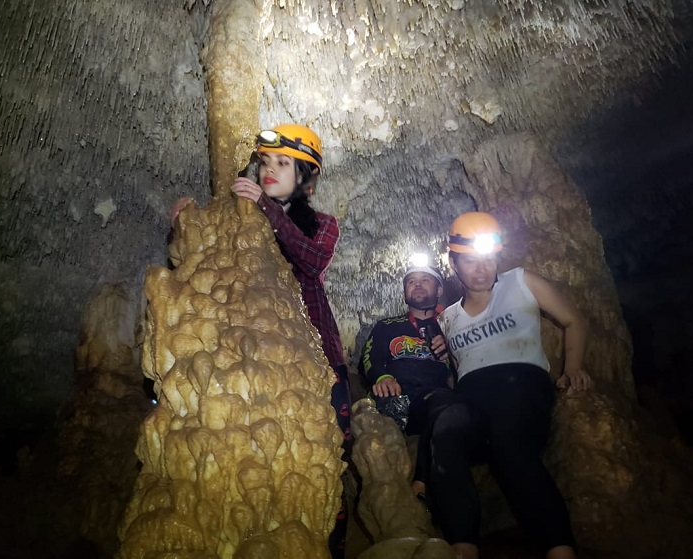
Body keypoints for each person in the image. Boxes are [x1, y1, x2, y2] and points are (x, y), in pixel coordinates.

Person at [429, 211, 594, 559]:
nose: (481, 269)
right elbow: (459, 370)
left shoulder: (521, 282)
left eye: (487, 260)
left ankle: (560, 550)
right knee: (445, 433)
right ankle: (463, 547)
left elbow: (573, 319)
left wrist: (573, 366)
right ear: (454, 264)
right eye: (470, 262)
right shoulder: (448, 318)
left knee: (509, 444)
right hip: (472, 397)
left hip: (521, 385)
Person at [229, 123, 352, 558]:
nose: (270, 170)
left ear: (306, 178)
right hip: (257, 359)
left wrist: (267, 209)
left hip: (318, 356)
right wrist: (189, 224)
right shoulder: (242, 219)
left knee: (325, 458)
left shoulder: (323, 224)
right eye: (264, 162)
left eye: (283, 164)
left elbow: (313, 259)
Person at [359, 263, 454, 499]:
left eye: (425, 279)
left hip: (433, 402)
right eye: (411, 281)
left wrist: (452, 351)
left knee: (443, 401)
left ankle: (421, 481)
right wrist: (381, 376)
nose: (418, 284)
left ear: (439, 290)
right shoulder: (387, 327)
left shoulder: (452, 325)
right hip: (394, 396)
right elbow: (369, 358)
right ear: (404, 293)